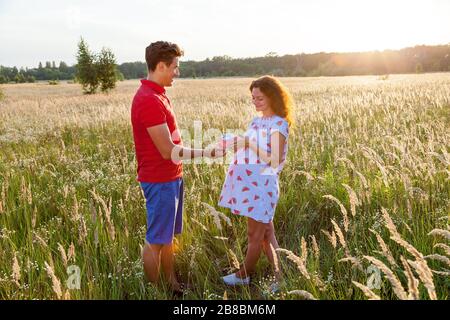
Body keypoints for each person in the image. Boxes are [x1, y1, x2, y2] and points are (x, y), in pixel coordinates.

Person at [131, 41, 224, 295]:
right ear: (160, 66)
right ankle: (153, 292)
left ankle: (171, 285)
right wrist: (207, 152)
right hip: (160, 181)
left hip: (171, 177)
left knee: (168, 237)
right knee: (155, 242)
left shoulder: (158, 93)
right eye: (174, 67)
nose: (177, 72)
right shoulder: (148, 100)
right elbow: (168, 150)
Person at [218, 75, 295, 291]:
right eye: (253, 98)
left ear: (272, 96)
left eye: (259, 98)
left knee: (255, 235)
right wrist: (234, 143)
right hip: (249, 186)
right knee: (266, 234)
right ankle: (281, 276)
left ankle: (244, 274)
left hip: (262, 187)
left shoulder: (279, 124)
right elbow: (251, 148)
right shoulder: (256, 121)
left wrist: (247, 143)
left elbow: (275, 159)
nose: (255, 101)